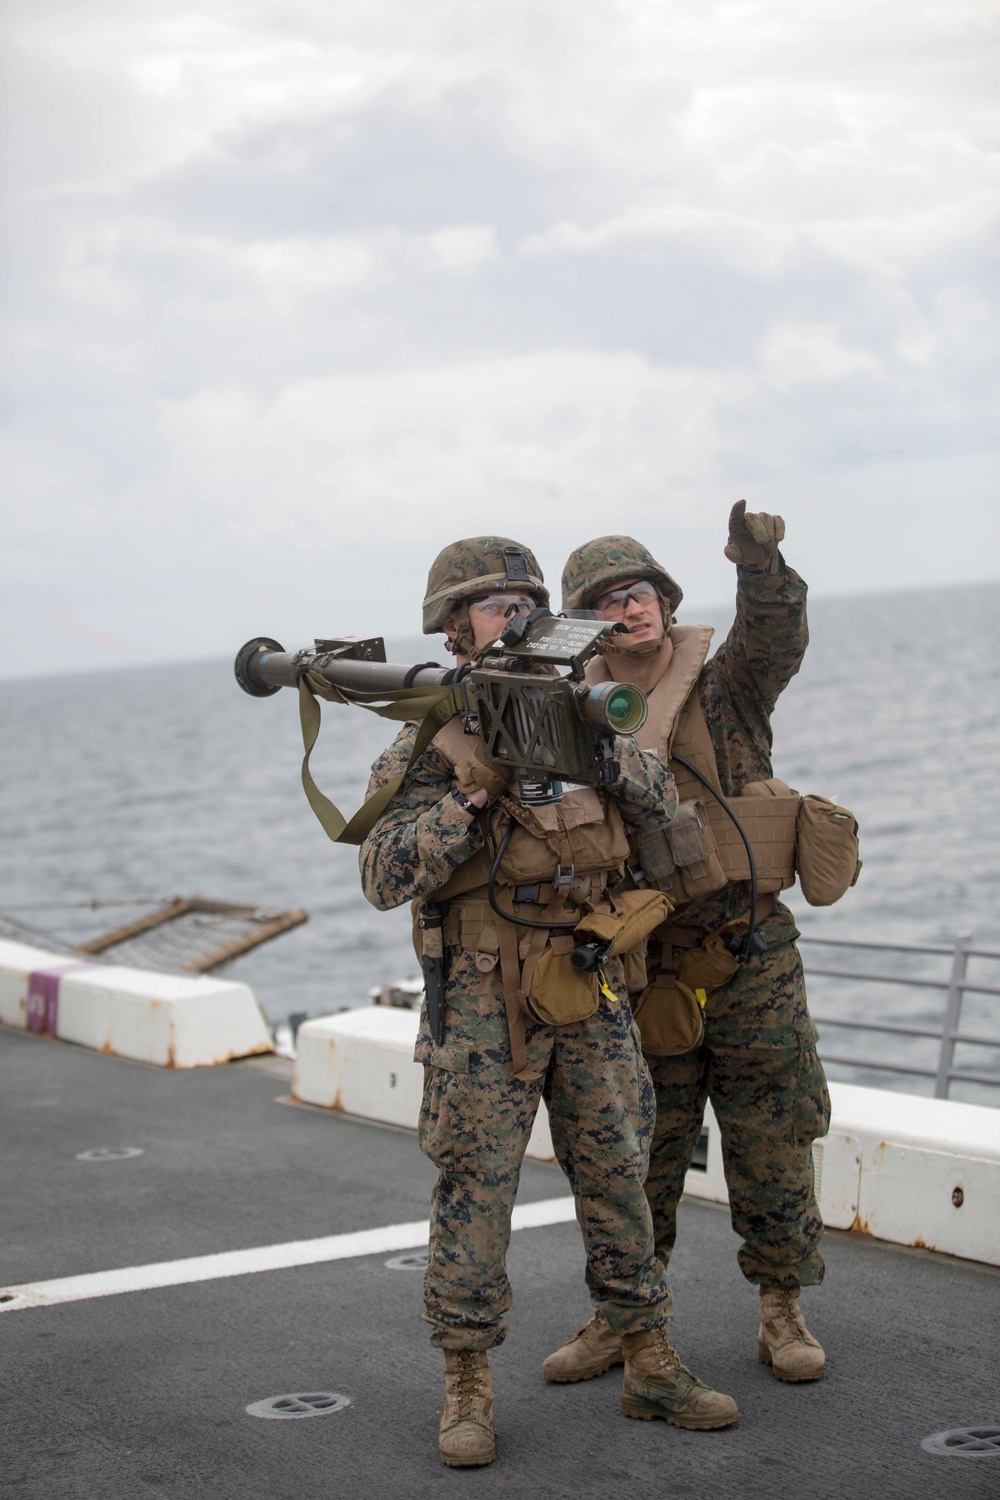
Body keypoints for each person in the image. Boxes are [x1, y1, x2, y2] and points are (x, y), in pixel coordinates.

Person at [358, 535, 738, 1469]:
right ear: (455, 632)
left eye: (528, 600)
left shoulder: (585, 715)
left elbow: (663, 813)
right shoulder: (427, 737)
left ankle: (648, 1358)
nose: (518, 616)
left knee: (620, 1176)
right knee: (475, 1193)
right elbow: (380, 871)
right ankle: (467, 1387)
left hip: (589, 978)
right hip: (484, 999)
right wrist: (468, 800)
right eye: (496, 606)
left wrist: (605, 756)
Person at [544, 505, 830, 1389]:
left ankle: (782, 1306)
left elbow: (776, 635)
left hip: (748, 950)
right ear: (582, 624)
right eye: (605, 603)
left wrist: (762, 562)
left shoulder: (727, 683)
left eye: (638, 594)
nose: (628, 611)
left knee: (773, 1132)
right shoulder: (568, 710)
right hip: (641, 960)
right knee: (636, 1152)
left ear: (664, 599)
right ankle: (622, 1316)